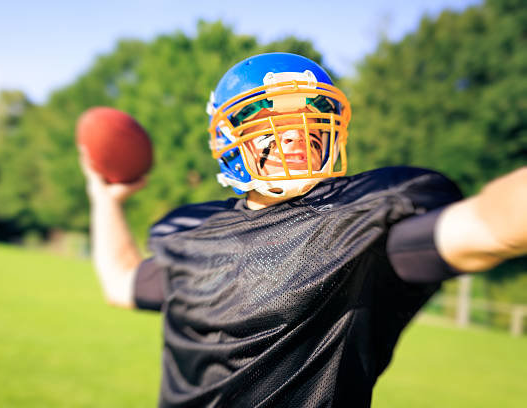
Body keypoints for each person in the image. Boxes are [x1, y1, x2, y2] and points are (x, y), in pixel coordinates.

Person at [80, 53, 527, 407]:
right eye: (267, 123)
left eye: (309, 120)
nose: (294, 137)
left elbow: (488, 226)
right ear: (227, 138)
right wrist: (104, 200)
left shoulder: (361, 228)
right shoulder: (195, 234)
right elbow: (121, 282)